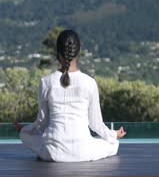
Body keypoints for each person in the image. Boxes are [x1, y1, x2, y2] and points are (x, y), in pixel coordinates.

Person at [14, 29, 126, 162]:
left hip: (53, 152)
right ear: (79, 50)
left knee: (25, 136)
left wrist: (25, 129)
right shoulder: (89, 83)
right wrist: (114, 134)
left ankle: (42, 149)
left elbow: (42, 124)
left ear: (57, 51)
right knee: (113, 144)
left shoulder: (46, 82)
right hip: (83, 152)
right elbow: (96, 124)